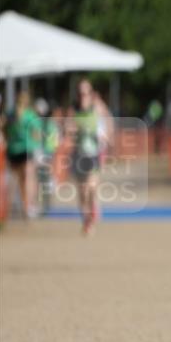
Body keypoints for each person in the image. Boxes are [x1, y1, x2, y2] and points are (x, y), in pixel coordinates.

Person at [72, 82, 106, 235]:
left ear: (91, 94)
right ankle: (86, 220)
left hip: (93, 154)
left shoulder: (97, 108)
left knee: (91, 187)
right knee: (82, 191)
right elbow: (68, 130)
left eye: (85, 93)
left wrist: (104, 138)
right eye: (80, 93)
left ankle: (92, 214)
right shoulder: (74, 111)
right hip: (78, 155)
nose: (82, 96)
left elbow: (106, 126)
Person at [5, 91, 42, 219]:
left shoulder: (10, 114)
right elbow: (36, 134)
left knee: (17, 180)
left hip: (13, 150)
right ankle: (29, 206)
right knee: (29, 179)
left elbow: (5, 131)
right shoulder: (30, 115)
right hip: (27, 149)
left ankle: (16, 207)